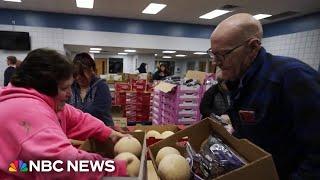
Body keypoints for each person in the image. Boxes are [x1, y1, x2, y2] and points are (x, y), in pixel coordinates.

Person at [209, 13, 320, 179]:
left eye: (222, 55)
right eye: (213, 54)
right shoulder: (241, 81)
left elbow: (316, 151)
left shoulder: (292, 77)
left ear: (253, 47)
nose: (215, 62)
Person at [0, 49, 129, 179]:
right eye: (64, 88)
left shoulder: (42, 101)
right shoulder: (27, 113)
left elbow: (76, 117)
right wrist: (114, 168)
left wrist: (107, 132)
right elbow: (63, 164)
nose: (70, 94)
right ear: (44, 87)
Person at [70, 53, 114, 126]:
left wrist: (73, 113)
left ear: (92, 70)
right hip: (77, 130)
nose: (78, 78)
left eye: (82, 75)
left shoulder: (101, 86)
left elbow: (99, 112)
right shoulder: (71, 86)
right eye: (76, 75)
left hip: (101, 129)